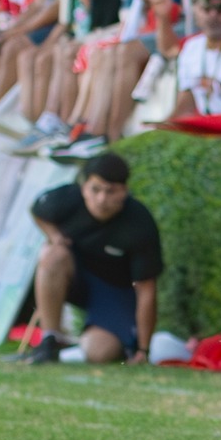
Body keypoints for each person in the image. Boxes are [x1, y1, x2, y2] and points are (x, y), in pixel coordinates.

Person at [24, 153, 163, 366]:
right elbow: (37, 211)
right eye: (95, 190)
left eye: (111, 191)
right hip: (75, 278)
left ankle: (97, 343)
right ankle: (50, 339)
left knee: (99, 353)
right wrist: (54, 235)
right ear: (84, 187)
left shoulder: (139, 222)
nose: (101, 200)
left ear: (124, 191)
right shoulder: (66, 199)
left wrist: (144, 349)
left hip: (114, 291)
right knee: (52, 254)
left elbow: (146, 289)